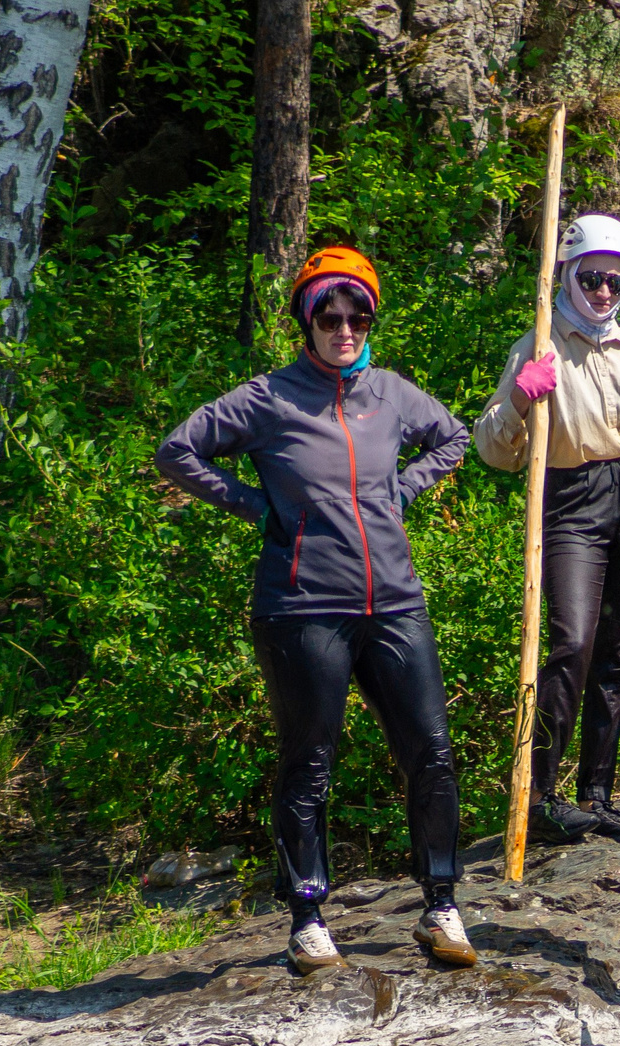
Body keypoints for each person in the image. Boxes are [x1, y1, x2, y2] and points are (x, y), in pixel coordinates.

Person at [157, 247, 474, 976]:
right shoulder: (268, 398)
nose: (344, 327)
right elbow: (178, 449)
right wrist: (254, 504)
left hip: (394, 600)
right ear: (306, 319)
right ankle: (306, 915)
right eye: (329, 314)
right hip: (300, 606)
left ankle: (441, 904)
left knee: (432, 754)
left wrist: (403, 489)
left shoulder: (392, 393)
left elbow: (453, 437)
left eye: (358, 314)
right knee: (310, 764)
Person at [474, 214, 620, 847]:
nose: (603, 291)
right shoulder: (537, 346)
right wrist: (518, 401)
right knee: (572, 642)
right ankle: (538, 794)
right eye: (591, 277)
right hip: (574, 499)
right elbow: (491, 450)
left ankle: (598, 792)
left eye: (616, 280)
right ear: (567, 273)